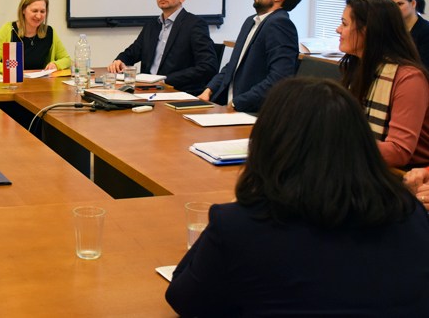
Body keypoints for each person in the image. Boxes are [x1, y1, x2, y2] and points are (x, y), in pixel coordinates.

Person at [166, 78, 429, 316]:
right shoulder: (410, 214)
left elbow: (184, 298)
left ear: (269, 144)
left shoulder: (241, 226)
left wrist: (230, 216)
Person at [337, 0, 429, 167]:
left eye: (345, 24)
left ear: (368, 31)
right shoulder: (358, 66)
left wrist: (336, 143)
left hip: (404, 176)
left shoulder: (409, 79)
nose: (338, 30)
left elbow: (398, 152)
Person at [198, 0, 302, 112]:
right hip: (226, 105)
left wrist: (235, 104)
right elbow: (233, 65)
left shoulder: (279, 24)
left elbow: (280, 78)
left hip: (249, 111)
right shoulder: (251, 21)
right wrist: (209, 90)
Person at [106, 0, 218, 95]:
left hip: (177, 91)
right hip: (148, 90)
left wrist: (165, 79)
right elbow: (132, 52)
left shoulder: (194, 24)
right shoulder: (152, 25)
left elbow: (208, 66)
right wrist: (120, 61)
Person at [0, 0, 70, 73]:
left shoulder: (49, 32)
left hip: (41, 84)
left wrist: (56, 64)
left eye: (42, 11)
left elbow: (67, 59)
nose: (38, 16)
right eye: (34, 11)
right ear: (23, 10)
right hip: (13, 84)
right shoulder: (8, 29)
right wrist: (13, 71)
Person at [390, 0, 429, 68]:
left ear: (413, 3)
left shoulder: (426, 30)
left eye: (400, 4)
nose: (395, 9)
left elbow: (424, 64)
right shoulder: (393, 28)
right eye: (393, 5)